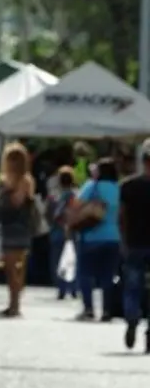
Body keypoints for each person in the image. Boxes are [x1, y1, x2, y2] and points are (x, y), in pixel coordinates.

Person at [70, 157, 121, 322]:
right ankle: (107, 310)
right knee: (108, 275)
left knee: (85, 273)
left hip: (91, 235)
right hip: (114, 236)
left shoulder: (92, 186)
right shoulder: (119, 189)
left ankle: (88, 308)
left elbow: (76, 205)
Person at [0, 142, 35, 318]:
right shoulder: (7, 179)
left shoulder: (25, 180)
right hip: (9, 226)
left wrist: (7, 190)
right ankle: (13, 302)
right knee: (10, 268)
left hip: (19, 227)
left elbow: (17, 202)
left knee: (14, 268)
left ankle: (15, 304)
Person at [120, 143, 150, 350]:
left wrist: (123, 240)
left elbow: (122, 217)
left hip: (134, 243)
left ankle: (132, 319)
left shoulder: (128, 186)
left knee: (132, 287)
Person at [47, 166, 79, 300]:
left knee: (58, 261)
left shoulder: (54, 197)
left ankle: (61, 288)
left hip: (57, 233)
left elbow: (49, 214)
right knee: (73, 261)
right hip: (74, 233)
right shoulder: (78, 195)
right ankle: (73, 288)